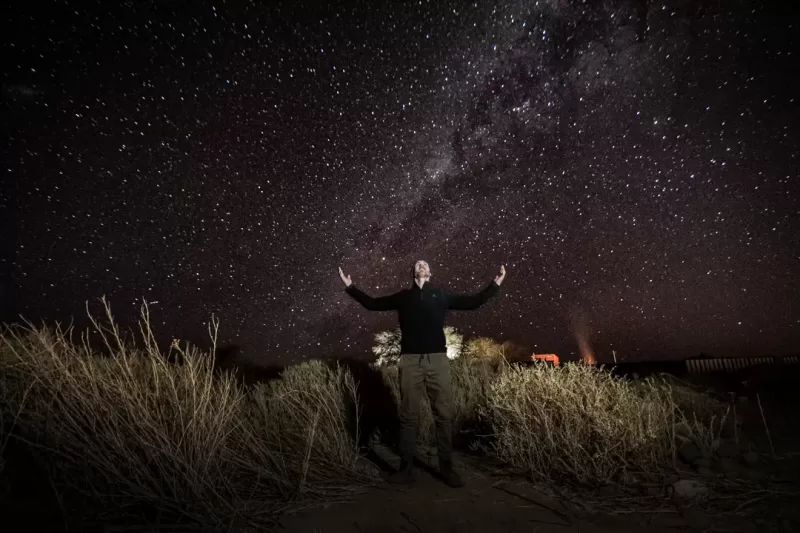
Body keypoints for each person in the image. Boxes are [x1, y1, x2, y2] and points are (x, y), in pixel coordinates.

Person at [338, 260, 506, 487]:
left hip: (437, 360)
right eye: (417, 264)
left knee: (443, 414)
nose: (421, 265)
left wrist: (495, 285)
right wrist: (350, 287)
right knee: (408, 415)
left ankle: (446, 469)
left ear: (430, 272)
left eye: (425, 264)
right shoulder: (402, 297)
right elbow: (372, 304)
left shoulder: (441, 295)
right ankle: (405, 470)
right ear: (413, 272)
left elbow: (473, 302)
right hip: (410, 361)